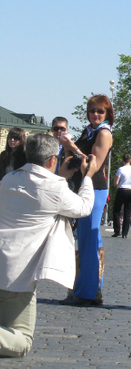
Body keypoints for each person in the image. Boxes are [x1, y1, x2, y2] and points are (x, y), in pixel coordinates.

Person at [0, 134, 97, 357]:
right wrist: (88, 177)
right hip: (18, 276)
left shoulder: (8, 180)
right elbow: (83, 207)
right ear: (53, 159)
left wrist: (60, 177)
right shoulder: (55, 188)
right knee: (21, 341)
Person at [59, 94, 113, 306]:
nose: (96, 114)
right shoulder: (89, 131)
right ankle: (93, 289)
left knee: (87, 239)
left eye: (100, 111)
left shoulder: (104, 133)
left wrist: (73, 147)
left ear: (107, 113)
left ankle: (86, 293)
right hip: (83, 185)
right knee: (92, 239)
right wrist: (67, 148)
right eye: (92, 110)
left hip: (94, 187)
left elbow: (93, 163)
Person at [112, 153, 131, 238]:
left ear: (123, 160)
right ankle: (125, 233)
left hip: (121, 190)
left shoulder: (120, 169)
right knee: (127, 213)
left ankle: (117, 230)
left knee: (116, 211)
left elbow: (116, 182)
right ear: (130, 160)